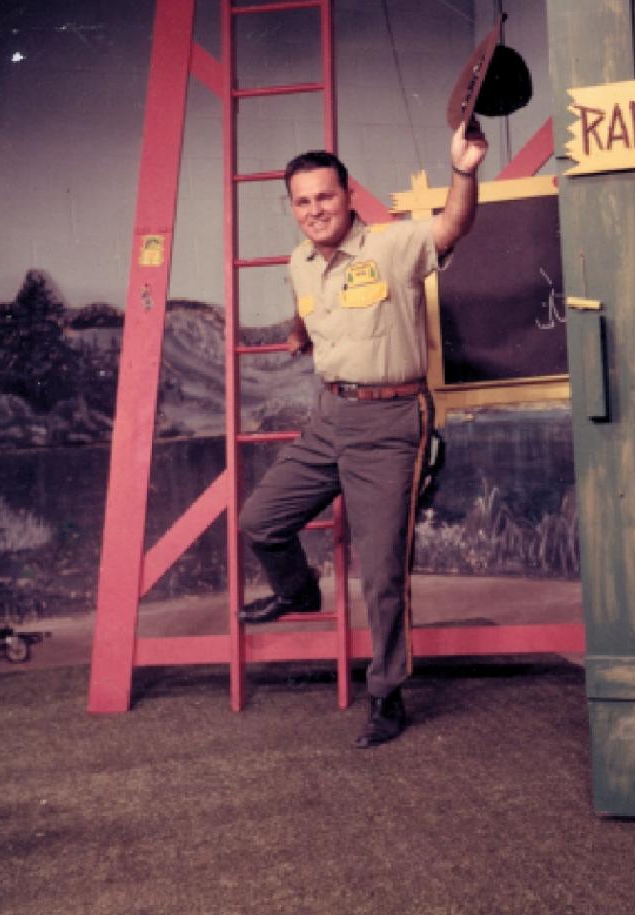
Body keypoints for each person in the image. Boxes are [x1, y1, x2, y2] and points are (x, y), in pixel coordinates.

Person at [238, 120, 489, 748]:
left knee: (380, 574)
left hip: (391, 422)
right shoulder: (300, 260)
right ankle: (297, 591)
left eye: (325, 196)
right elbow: (312, 303)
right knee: (260, 520)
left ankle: (385, 693)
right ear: (291, 208)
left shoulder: (392, 246)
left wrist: (463, 170)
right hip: (330, 418)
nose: (314, 210)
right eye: (302, 201)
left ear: (348, 196)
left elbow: (453, 226)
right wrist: (302, 332)